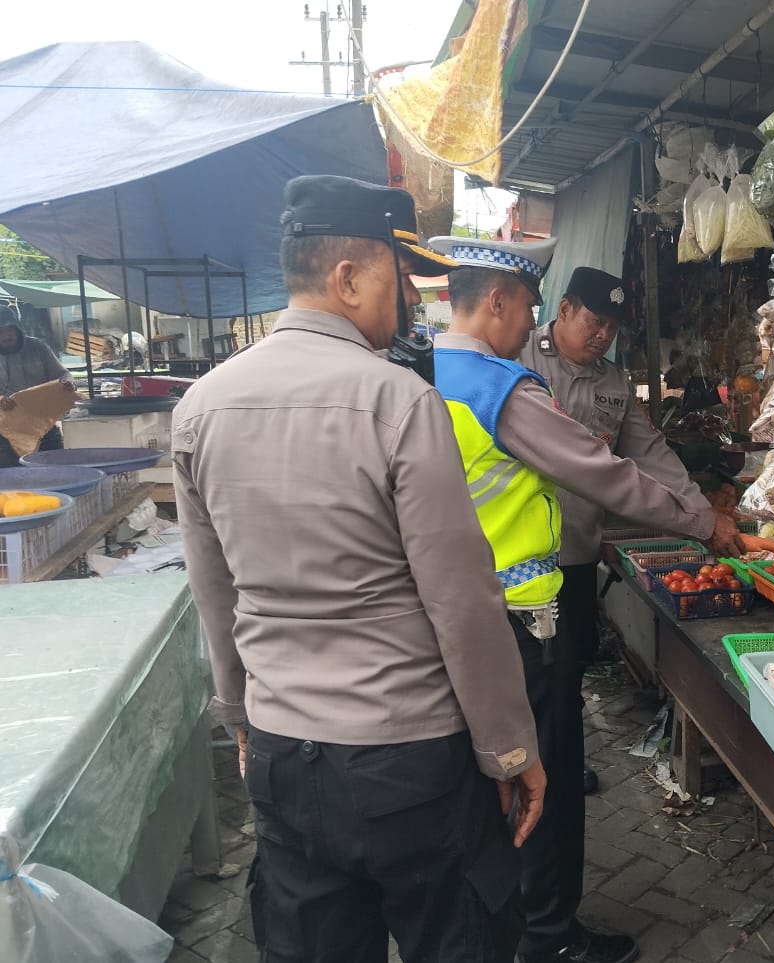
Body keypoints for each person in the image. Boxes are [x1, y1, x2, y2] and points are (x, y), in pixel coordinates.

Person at [173, 175, 545, 963]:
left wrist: (240, 715)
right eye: (397, 279)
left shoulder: (200, 408)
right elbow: (463, 599)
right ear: (346, 277)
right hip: (409, 761)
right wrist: (510, 748)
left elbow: (216, 593)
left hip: (282, 753)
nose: (410, 301)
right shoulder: (399, 402)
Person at [429, 242, 742, 963]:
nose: (534, 320)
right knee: (548, 772)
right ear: (503, 299)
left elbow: (646, 450)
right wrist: (702, 522)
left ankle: (496, 920)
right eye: (535, 307)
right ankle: (549, 935)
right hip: (524, 612)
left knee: (490, 768)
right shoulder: (501, 383)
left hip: (466, 605)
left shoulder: (420, 374)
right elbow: (607, 473)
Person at [518, 265, 721, 774]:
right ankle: (532, 763)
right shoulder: (517, 357)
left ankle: (560, 760)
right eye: (595, 320)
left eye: (612, 326)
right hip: (521, 555)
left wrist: (702, 514)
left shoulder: (613, 381)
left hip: (578, 551)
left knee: (571, 661)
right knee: (526, 668)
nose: (603, 334)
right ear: (564, 310)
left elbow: (650, 454)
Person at [0, 306, 76, 467]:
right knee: (12, 480)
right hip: (6, 432)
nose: (6, 336)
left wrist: (66, 383)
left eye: (9, 330)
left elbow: (63, 374)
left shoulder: (38, 347)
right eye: (1, 332)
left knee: (57, 471)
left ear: (17, 328)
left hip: (44, 426)